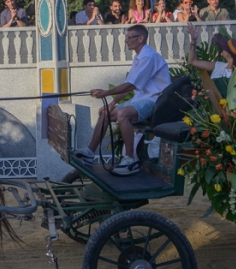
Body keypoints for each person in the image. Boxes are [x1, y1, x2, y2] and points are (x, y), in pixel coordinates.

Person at [74, 25, 172, 176]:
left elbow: (131, 85)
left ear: (141, 38)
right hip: (141, 99)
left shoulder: (148, 56)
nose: (126, 41)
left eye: (129, 37)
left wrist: (106, 92)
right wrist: (112, 103)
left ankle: (130, 160)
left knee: (123, 114)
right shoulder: (139, 56)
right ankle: (89, 154)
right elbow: (129, 85)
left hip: (155, 101)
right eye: (126, 37)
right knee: (105, 113)